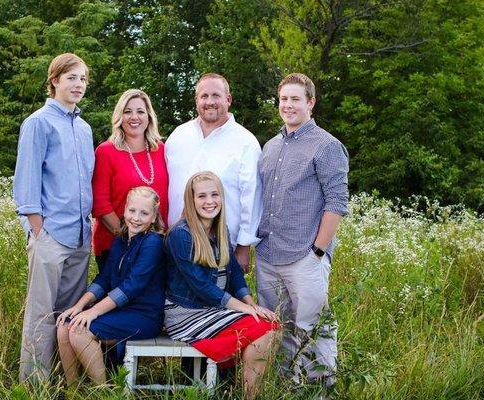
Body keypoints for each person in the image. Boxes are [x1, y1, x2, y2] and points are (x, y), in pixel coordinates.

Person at [255, 73, 349, 388]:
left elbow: (337, 203)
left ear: (310, 102)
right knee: (279, 327)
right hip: (268, 254)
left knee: (316, 327)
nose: (288, 105)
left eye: (295, 99)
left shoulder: (327, 145)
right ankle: (288, 387)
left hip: (304, 256)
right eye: (283, 99)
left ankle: (322, 390)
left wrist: (318, 252)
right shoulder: (270, 146)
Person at [13, 53, 94, 382]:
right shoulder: (38, 123)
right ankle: (33, 385)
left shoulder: (84, 128)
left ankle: (63, 381)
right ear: (55, 81)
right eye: (71, 77)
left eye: (83, 79)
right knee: (40, 315)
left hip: (80, 237)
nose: (78, 85)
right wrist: (38, 232)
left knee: (69, 316)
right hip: (50, 236)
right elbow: (26, 182)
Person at [164, 171, 280, 399]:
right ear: (191, 200)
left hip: (214, 309)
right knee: (264, 329)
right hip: (186, 313)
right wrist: (245, 309)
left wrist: (251, 303)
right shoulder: (181, 235)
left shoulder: (220, 230)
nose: (209, 202)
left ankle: (248, 394)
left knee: (270, 326)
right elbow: (201, 286)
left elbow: (234, 273)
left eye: (214, 195)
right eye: (202, 196)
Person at [56, 186, 166, 384]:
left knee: (78, 332)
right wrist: (79, 307)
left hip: (144, 315)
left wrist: (93, 312)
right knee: (64, 327)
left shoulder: (153, 243)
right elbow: (104, 278)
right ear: (124, 210)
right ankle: (73, 392)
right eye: (132, 211)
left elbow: (132, 287)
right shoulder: (121, 239)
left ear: (153, 217)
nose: (136, 218)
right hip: (119, 310)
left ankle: (102, 391)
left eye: (144, 213)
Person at [165, 73, 262, 272]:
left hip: (223, 246)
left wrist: (244, 247)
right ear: (196, 100)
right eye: (204, 96)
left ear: (228, 99)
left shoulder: (245, 142)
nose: (210, 102)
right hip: (177, 243)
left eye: (216, 95)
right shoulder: (178, 136)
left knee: (218, 299)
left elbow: (252, 198)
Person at [92, 89, 168, 271]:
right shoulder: (106, 151)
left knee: (151, 299)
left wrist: (153, 242)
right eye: (127, 111)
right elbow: (101, 205)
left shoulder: (162, 150)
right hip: (116, 244)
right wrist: (130, 240)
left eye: (140, 111)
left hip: (157, 246)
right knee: (117, 297)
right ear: (120, 116)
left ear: (149, 116)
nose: (134, 117)